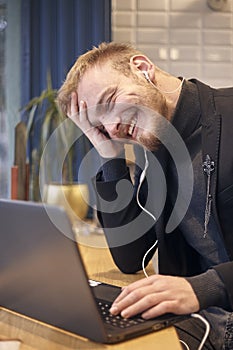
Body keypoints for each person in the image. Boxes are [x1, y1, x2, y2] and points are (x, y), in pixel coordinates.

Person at [56, 42, 233, 350]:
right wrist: (108, 152)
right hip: (203, 325)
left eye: (109, 100)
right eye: (100, 126)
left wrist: (207, 287)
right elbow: (130, 258)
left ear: (142, 68)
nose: (113, 127)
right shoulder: (156, 147)